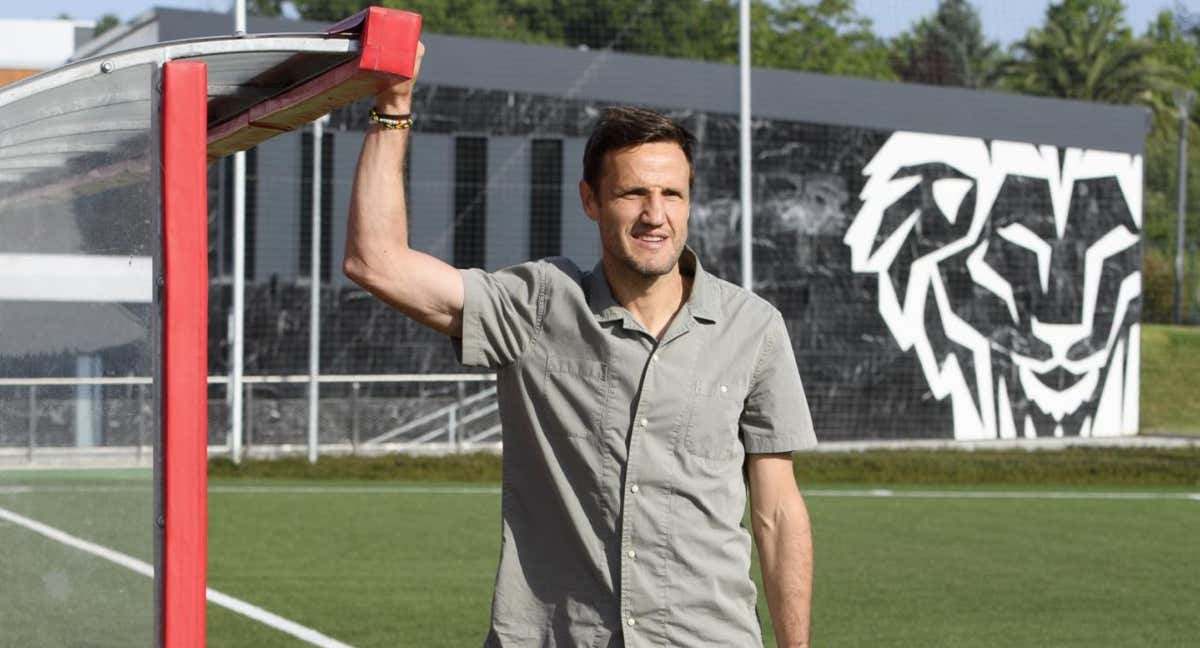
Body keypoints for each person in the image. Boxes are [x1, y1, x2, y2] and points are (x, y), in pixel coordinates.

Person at [344, 42, 817, 648]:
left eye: (671, 194)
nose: (655, 214)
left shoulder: (754, 328)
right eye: (632, 195)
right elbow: (376, 261)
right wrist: (394, 104)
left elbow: (777, 515)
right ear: (590, 200)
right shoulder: (536, 304)